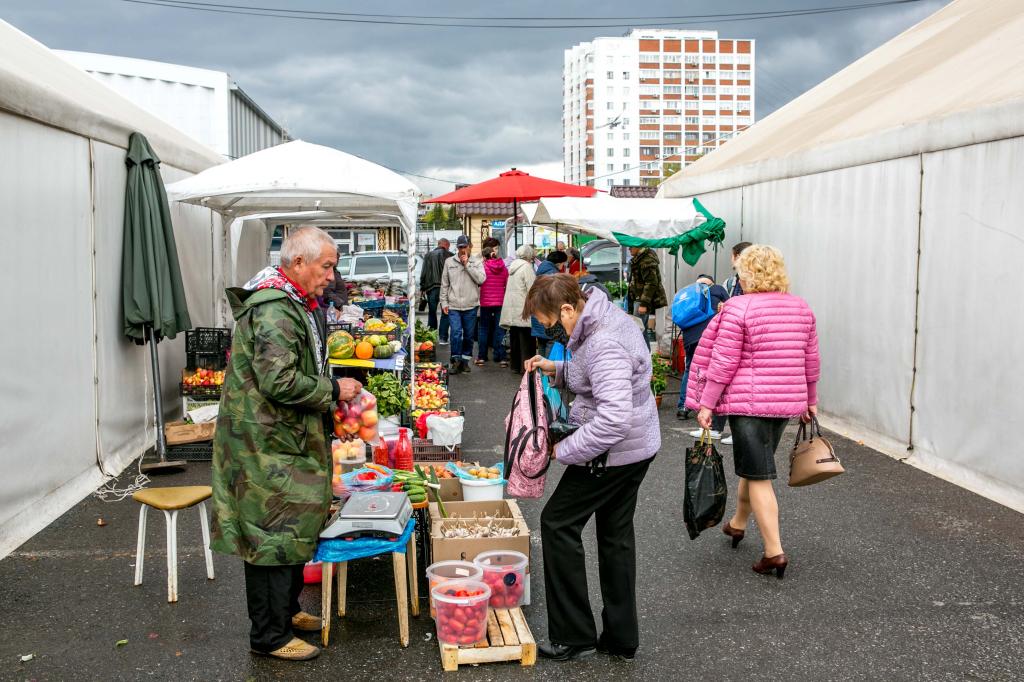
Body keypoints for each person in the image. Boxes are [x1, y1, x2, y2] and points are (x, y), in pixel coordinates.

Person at [211, 226, 362, 662]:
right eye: (327, 265)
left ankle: (286, 611)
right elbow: (278, 380)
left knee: (293, 527)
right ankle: (269, 637)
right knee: (269, 538)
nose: (331, 276)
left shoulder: (290, 300)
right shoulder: (276, 309)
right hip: (264, 442)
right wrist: (333, 391)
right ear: (298, 264)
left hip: (280, 436)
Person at [523, 274, 659, 662]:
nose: (554, 331)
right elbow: (601, 380)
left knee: (557, 522)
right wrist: (557, 368)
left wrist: (562, 450)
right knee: (615, 537)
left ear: (568, 308)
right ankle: (620, 637)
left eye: (552, 322)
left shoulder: (603, 342)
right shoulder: (598, 314)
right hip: (634, 448)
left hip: (611, 453)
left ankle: (573, 634)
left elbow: (613, 418)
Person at [685, 245, 820, 579]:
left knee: (758, 474)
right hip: (785, 403)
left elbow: (723, 362)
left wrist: (707, 404)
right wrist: (811, 399)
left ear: (746, 274)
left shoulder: (738, 308)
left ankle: (774, 552)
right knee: (754, 465)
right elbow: (810, 359)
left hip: (748, 404)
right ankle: (737, 524)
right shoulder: (801, 308)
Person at [676, 275, 730, 441]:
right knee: (711, 373)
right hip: (709, 335)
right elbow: (728, 307)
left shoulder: (688, 292)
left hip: (689, 337)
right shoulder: (718, 289)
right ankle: (708, 412)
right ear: (711, 282)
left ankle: (684, 407)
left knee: (690, 369)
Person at [440, 235, 485, 374]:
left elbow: (481, 279)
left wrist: (467, 265)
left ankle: (465, 361)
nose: (462, 250)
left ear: (469, 246)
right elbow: (444, 284)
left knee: (469, 335)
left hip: (470, 305)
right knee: (455, 333)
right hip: (453, 305)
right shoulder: (449, 261)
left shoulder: (476, 261)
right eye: (460, 247)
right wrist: (444, 302)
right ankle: (455, 360)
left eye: (464, 246)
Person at [500, 245, 538, 373]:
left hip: (512, 308)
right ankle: (526, 367)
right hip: (523, 307)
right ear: (529, 255)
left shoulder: (513, 267)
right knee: (526, 339)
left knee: (515, 338)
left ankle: (515, 366)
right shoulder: (526, 267)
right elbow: (532, 289)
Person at [626, 246, 668, 342]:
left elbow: (651, 283)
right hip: (637, 299)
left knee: (637, 330)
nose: (629, 249)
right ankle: (646, 355)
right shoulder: (639, 258)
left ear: (638, 245)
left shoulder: (647, 260)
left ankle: (642, 355)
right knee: (641, 331)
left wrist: (643, 304)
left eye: (631, 246)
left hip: (641, 300)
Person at [476, 246, 509, 367]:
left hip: (485, 302)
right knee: (499, 329)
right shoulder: (503, 267)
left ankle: (482, 357)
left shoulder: (482, 267)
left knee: (484, 329)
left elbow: (479, 282)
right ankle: (501, 358)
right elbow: (506, 283)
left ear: (484, 257)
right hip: (500, 302)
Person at [531, 250, 568, 356]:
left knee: (542, 344)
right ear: (560, 263)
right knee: (551, 343)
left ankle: (541, 371)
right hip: (548, 316)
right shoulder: (553, 275)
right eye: (564, 264)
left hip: (537, 316)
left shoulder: (540, 271)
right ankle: (546, 370)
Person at [420, 238, 453, 344]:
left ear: (438, 244)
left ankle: (431, 336)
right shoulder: (450, 255)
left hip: (431, 287)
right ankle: (443, 338)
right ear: (446, 245)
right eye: (448, 246)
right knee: (446, 312)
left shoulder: (428, 255)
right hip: (446, 287)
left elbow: (424, 272)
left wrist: (422, 287)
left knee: (432, 312)